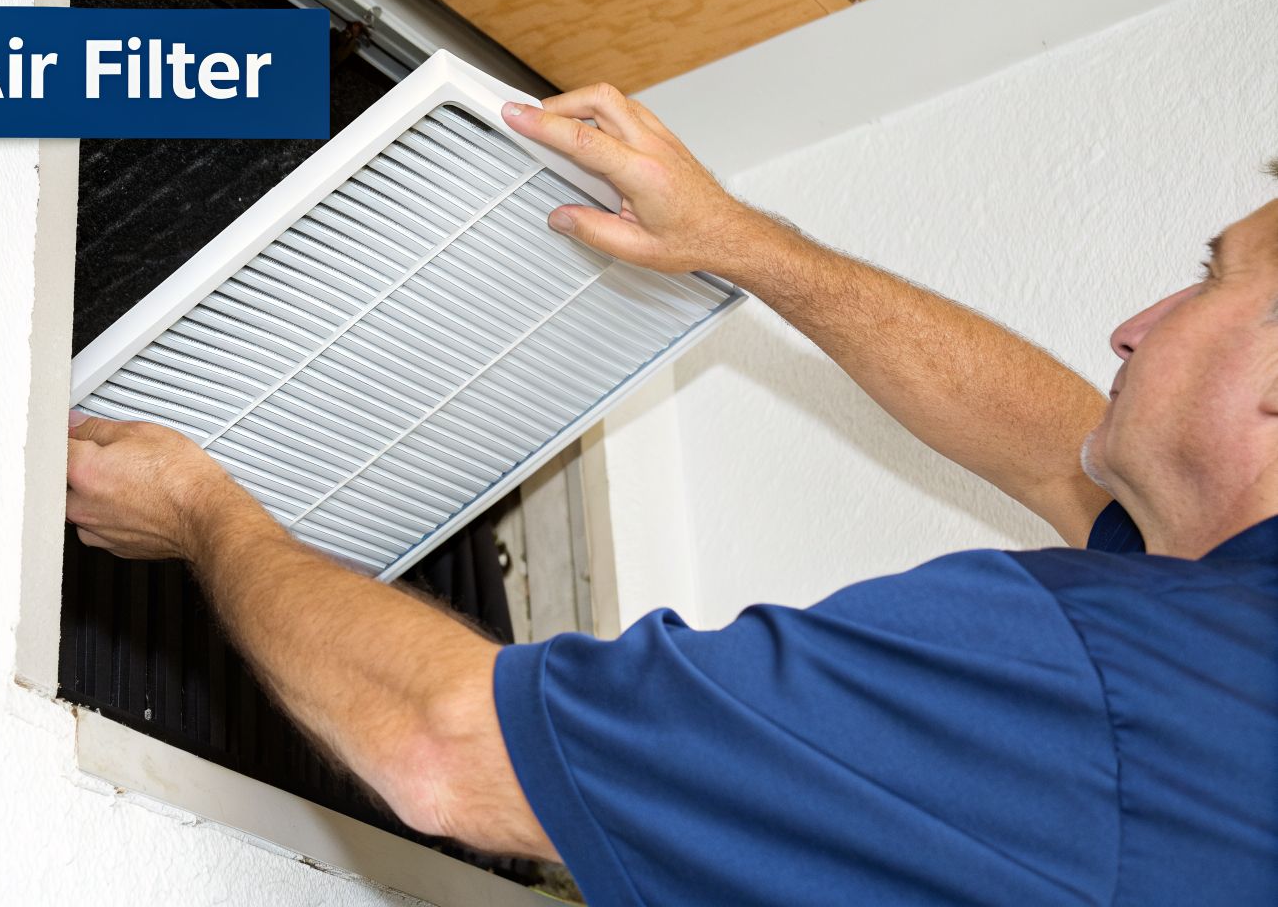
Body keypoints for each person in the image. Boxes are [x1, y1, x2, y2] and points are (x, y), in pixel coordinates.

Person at [64, 84, 1278, 905]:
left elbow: (447, 752)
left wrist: (202, 513)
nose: (1131, 328)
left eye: (1204, 279)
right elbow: (1048, 440)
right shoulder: (1213, 648)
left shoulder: (1104, 675)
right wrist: (742, 241)